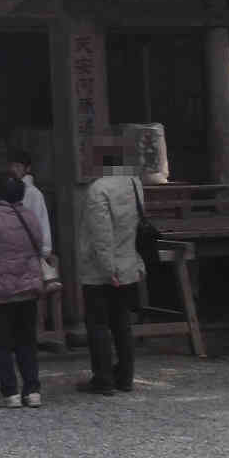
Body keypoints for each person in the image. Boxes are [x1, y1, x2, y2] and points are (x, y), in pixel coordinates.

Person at [0, 173, 46, 407]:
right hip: (27, 287)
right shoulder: (30, 216)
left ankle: (10, 392)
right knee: (27, 341)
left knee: (2, 343)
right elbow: (40, 244)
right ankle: (32, 390)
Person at [77, 163, 145, 393]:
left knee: (98, 325)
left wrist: (108, 269)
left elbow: (101, 233)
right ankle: (125, 376)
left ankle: (103, 379)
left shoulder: (99, 189)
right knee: (122, 323)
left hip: (101, 270)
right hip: (128, 261)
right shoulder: (134, 183)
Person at [0, 147, 55, 289]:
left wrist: (43, 252)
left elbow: (42, 227)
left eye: (18, 166)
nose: (13, 169)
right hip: (8, 260)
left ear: (27, 168)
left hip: (24, 260)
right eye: (11, 166)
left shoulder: (34, 194)